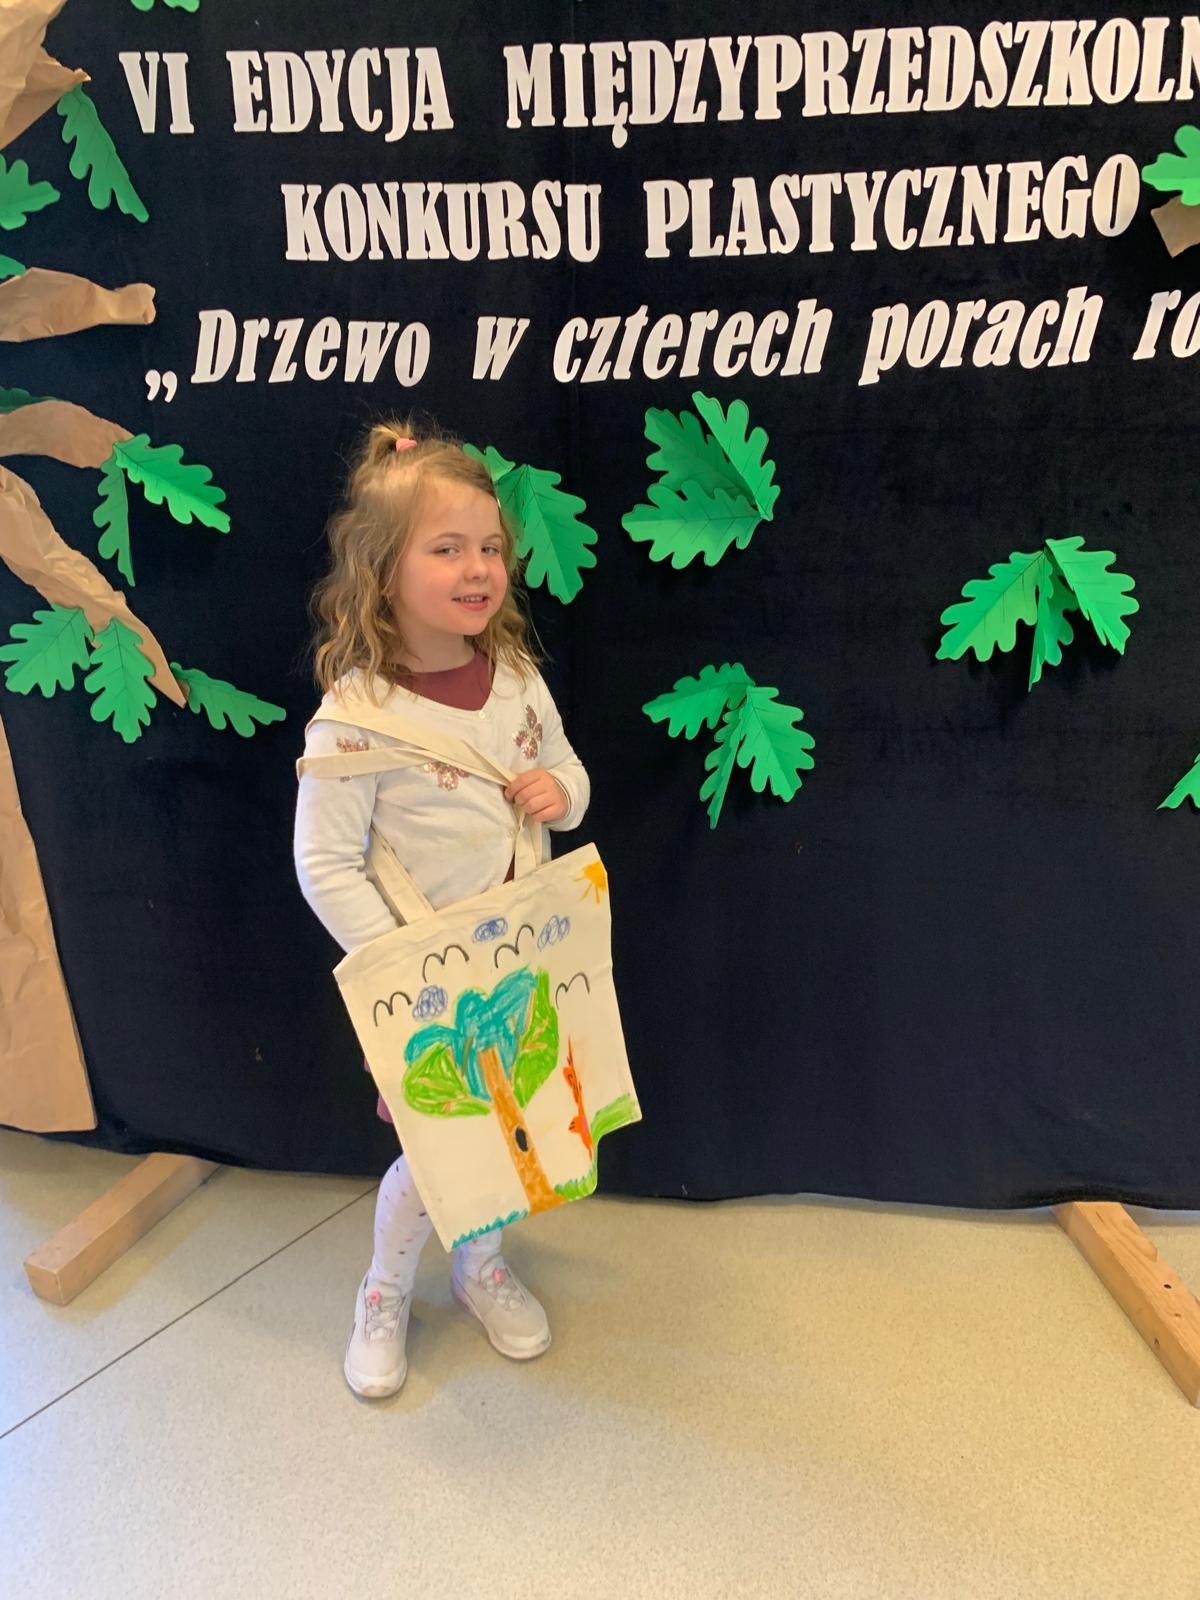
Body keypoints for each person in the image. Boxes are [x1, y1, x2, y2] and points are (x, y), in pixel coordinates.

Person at [294, 418, 591, 1398]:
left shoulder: (517, 680)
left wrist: (561, 793)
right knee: (436, 1150)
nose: (479, 568)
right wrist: (412, 966)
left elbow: (568, 772)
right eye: (447, 548)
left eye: (491, 547)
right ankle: (385, 1288)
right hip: (425, 990)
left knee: (513, 1132)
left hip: (523, 967)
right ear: (382, 571)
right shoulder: (356, 717)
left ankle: (480, 1265)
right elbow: (324, 863)